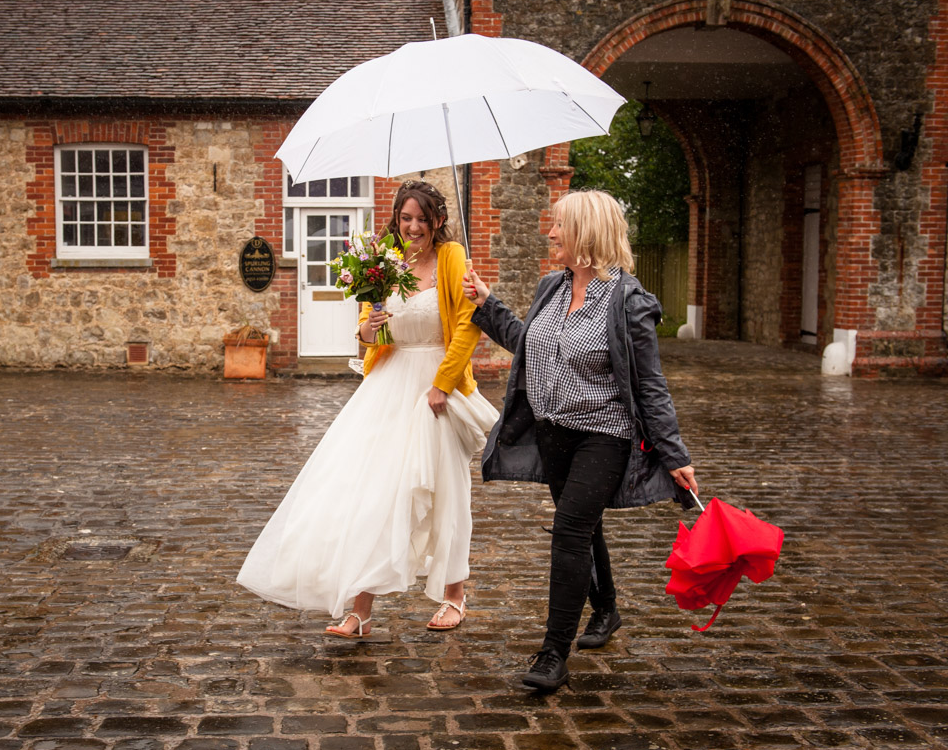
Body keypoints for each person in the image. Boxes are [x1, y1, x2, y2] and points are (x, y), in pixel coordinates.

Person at [238, 180, 498, 637]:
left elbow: (468, 326)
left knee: (446, 492)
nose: (412, 227)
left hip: (439, 386)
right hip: (387, 385)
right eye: (405, 218)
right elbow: (366, 332)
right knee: (372, 492)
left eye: (421, 218)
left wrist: (442, 385)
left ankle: (454, 596)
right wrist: (369, 328)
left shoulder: (454, 257)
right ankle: (360, 609)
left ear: (437, 220)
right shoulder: (381, 260)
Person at [463, 189, 698, 692]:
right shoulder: (553, 285)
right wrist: (487, 304)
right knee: (584, 527)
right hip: (553, 434)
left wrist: (674, 453)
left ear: (587, 233)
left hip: (604, 436)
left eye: (559, 226)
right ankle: (607, 609)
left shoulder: (628, 302)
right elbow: (529, 344)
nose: (550, 234)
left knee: (569, 530)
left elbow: (649, 384)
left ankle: (553, 654)